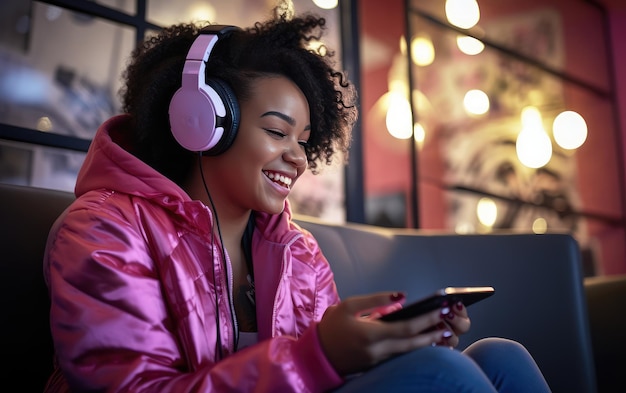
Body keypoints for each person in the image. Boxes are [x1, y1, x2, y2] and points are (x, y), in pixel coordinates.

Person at [43, 6, 552, 393]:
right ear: (201, 122)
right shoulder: (105, 230)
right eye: (277, 132)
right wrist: (315, 357)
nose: (299, 159)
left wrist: (394, 342)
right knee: (444, 373)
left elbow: (332, 372)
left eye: (304, 141)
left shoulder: (299, 252)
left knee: (501, 356)